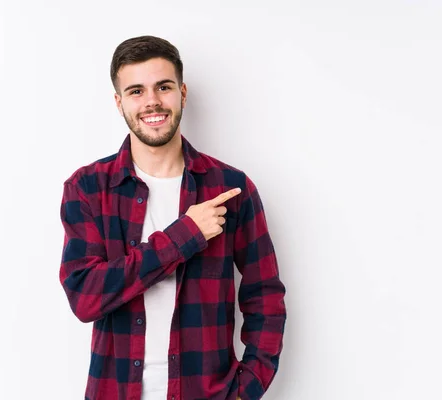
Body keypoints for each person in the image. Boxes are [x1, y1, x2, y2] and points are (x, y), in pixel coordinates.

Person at [58, 35, 286, 400]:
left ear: (182, 93)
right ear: (119, 103)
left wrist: (248, 388)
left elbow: (265, 297)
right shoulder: (87, 188)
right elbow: (85, 297)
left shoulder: (230, 188)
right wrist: (185, 236)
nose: (151, 101)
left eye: (163, 87)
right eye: (136, 91)